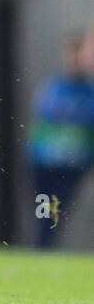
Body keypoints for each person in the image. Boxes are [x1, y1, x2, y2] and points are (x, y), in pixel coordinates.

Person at [27, 28, 94, 247]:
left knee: (58, 206)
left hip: (73, 165)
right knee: (44, 208)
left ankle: (44, 246)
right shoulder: (54, 87)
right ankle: (42, 246)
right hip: (45, 162)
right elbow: (48, 113)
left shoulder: (88, 91)